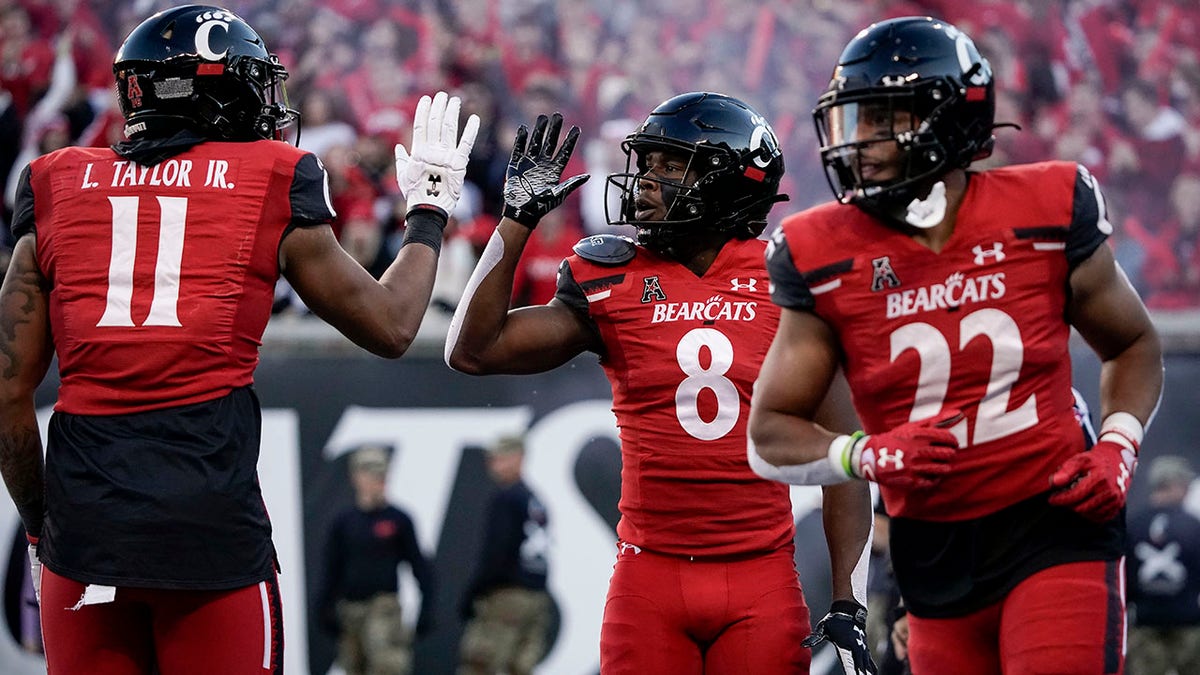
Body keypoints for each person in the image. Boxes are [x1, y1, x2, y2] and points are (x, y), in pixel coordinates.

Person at [0, 5, 478, 674]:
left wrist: (37, 523)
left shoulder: (52, 182)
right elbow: (394, 324)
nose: (264, 103)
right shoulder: (270, 176)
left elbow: (7, 392)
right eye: (251, 84)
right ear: (211, 91)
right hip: (208, 535)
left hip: (83, 538)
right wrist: (428, 211)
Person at [748, 15, 1164, 675]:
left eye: (886, 120)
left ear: (949, 118)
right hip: (931, 550)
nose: (864, 143)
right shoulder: (818, 249)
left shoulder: (1047, 203)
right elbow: (768, 432)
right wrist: (864, 451)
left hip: (1052, 521)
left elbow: (1133, 342)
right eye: (858, 121)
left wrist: (1119, 439)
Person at [445, 92, 875, 674]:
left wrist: (849, 598)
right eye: (645, 164)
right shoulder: (609, 276)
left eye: (669, 165)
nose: (645, 180)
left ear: (728, 180)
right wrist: (517, 220)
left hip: (761, 577)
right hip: (648, 578)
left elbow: (841, 453)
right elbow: (471, 350)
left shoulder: (790, 275)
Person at [317, 445, 436, 675]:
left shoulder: (398, 519)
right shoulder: (344, 522)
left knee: (387, 667)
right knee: (354, 668)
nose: (377, 478)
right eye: (370, 472)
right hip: (351, 612)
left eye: (381, 473)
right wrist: (324, 607)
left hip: (384, 610)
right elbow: (332, 568)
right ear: (356, 476)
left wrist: (427, 607)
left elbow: (420, 566)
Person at [457, 434, 553, 675]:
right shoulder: (534, 499)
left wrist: (474, 591)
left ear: (519, 458)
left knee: (480, 665)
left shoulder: (506, 497)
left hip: (506, 596)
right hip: (535, 598)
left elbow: (497, 552)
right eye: (492, 459)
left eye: (500, 458)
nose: (493, 464)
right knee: (519, 667)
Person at [1125, 455, 1200, 675]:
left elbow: (1123, 576)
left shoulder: (1133, 525)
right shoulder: (1194, 526)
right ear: (1174, 485)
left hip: (1144, 622)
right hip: (1189, 623)